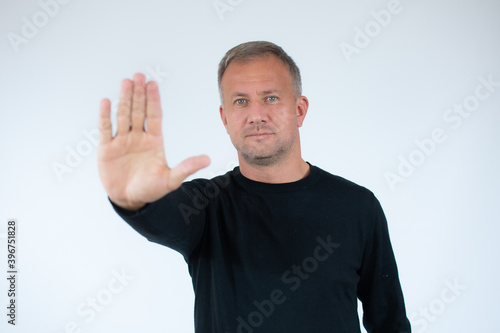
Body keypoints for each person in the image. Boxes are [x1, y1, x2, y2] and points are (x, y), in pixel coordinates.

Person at [97, 41, 411, 333]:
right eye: (241, 101)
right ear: (225, 117)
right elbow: (160, 215)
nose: (256, 115)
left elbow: (389, 322)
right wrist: (134, 197)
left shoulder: (357, 206)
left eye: (271, 98)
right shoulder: (205, 207)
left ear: (299, 110)